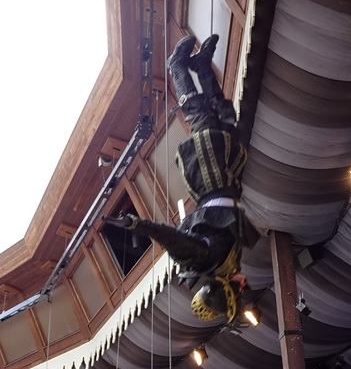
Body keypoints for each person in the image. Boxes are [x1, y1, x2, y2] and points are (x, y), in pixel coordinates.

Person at [104, 34, 249, 323]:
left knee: (200, 115)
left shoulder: (205, 261)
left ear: (225, 288)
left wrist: (137, 224)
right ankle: (202, 67)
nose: (244, 285)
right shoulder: (227, 264)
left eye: (239, 289)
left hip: (210, 179)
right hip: (228, 179)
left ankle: (178, 66)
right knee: (225, 116)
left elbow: (171, 238)